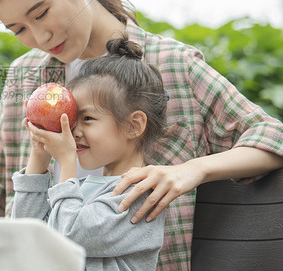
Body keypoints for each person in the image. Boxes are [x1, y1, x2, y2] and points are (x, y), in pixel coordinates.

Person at [0, 0, 283, 270]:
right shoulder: (26, 80)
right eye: (19, 30)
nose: (39, 36)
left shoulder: (172, 65)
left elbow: (275, 138)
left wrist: (190, 171)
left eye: (41, 13)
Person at [12, 35, 167, 270]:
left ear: (133, 126)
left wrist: (66, 161)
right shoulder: (82, 188)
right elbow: (27, 236)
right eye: (75, 119)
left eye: (87, 118)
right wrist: (39, 156)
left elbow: (70, 238)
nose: (74, 130)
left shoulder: (140, 194)